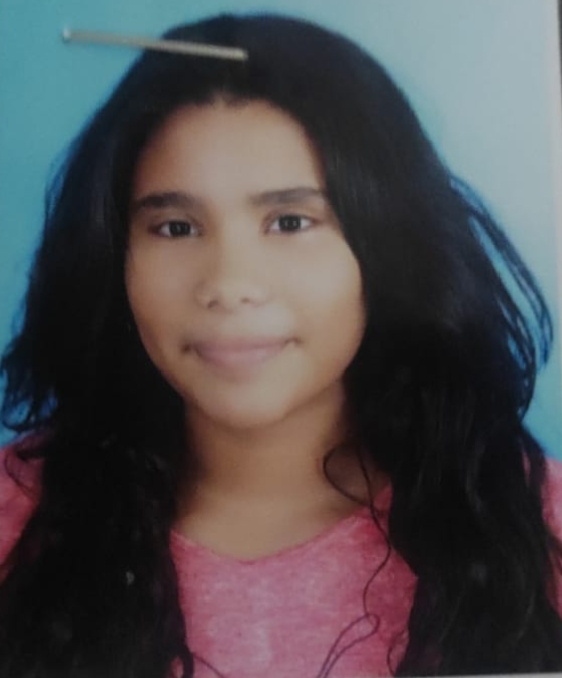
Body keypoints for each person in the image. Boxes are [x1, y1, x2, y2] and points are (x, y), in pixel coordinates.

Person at [0, 12, 561, 678]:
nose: (229, 285)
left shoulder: (533, 529)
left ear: (387, 249)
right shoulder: (17, 518)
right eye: (176, 228)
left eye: (290, 221)